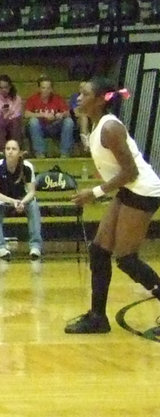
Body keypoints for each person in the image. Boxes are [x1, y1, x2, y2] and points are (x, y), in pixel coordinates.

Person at [65, 79, 160, 334]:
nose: (78, 97)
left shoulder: (110, 128)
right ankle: (98, 317)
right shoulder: (98, 126)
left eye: (84, 94)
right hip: (128, 189)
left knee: (126, 258)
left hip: (142, 191)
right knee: (98, 251)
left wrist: (94, 193)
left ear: (99, 100)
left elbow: (130, 171)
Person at [0, 139, 42, 260]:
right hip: (3, 200)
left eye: (14, 149)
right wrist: (13, 202)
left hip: (22, 200)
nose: (10, 152)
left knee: (33, 205)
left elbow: (32, 191)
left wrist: (22, 202)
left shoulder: (27, 167)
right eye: (7, 149)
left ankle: (35, 246)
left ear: (20, 153)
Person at [25, 75, 76, 158]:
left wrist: (61, 115)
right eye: (43, 88)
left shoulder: (57, 98)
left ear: (51, 89)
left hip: (55, 126)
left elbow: (68, 113)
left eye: (48, 88)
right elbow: (26, 114)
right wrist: (43, 115)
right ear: (39, 89)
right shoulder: (33, 99)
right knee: (33, 121)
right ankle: (40, 153)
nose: (46, 91)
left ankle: (64, 153)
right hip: (40, 127)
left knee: (69, 121)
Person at [0, 74, 25, 155]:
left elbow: (17, 115)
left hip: (11, 126)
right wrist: (3, 115)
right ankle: (1, 151)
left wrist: (7, 116)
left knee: (16, 122)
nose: (3, 90)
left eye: (6, 87)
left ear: (10, 87)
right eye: (1, 88)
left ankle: (16, 149)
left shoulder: (17, 98)